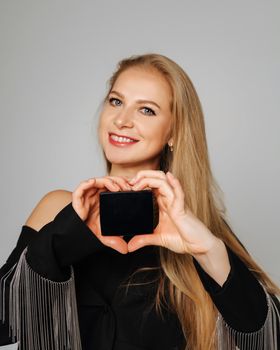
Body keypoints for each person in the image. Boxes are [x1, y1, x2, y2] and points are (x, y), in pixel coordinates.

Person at [0, 53, 279, 350]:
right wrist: (66, 237)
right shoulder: (58, 209)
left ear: (173, 132)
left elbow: (269, 338)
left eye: (146, 110)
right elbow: (5, 328)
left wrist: (208, 251)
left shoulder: (195, 227)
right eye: (116, 101)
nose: (122, 120)